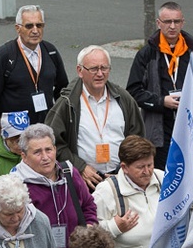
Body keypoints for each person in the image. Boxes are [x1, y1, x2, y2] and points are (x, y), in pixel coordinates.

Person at [126, 1, 193, 169]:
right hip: (159, 127)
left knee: (187, 173)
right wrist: (161, 101)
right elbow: (134, 91)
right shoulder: (147, 54)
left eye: (177, 21)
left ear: (183, 22)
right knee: (163, 175)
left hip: (189, 125)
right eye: (167, 22)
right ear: (159, 23)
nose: (172, 26)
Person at [45, 45, 145, 190]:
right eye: (93, 69)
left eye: (104, 68)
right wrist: (80, 167)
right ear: (80, 71)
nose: (100, 74)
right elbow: (53, 144)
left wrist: (127, 167)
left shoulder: (123, 99)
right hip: (84, 182)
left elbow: (138, 138)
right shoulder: (67, 103)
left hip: (121, 179)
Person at [11, 123, 98, 248]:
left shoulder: (70, 173)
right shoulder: (17, 185)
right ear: (24, 157)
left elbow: (88, 205)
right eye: (37, 152)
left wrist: (89, 226)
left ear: (55, 150)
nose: (45, 157)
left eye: (48, 150)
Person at [0, 5, 68, 145]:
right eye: (29, 26)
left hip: (45, 131)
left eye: (39, 25)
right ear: (18, 28)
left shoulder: (50, 52)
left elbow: (63, 89)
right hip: (15, 134)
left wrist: (61, 121)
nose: (35, 30)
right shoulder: (5, 55)